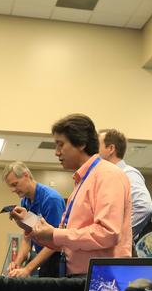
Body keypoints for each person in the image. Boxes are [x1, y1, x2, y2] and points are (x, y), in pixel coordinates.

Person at [16, 113, 132, 276]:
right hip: (81, 276)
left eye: (60, 145)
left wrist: (55, 234)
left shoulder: (107, 175)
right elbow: (66, 239)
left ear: (82, 143)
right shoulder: (82, 181)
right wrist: (30, 224)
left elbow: (107, 234)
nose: (57, 152)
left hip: (101, 278)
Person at [3, 161, 65, 278]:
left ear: (26, 175)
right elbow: (27, 237)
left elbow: (56, 242)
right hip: (43, 259)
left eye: (15, 184)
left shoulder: (51, 199)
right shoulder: (25, 201)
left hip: (57, 259)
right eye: (11, 186)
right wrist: (17, 264)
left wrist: (28, 269)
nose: (13, 190)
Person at [99, 128, 152, 237]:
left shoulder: (128, 174)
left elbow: (144, 207)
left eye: (96, 146)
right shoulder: (105, 177)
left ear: (110, 148)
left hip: (116, 250)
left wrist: (118, 237)